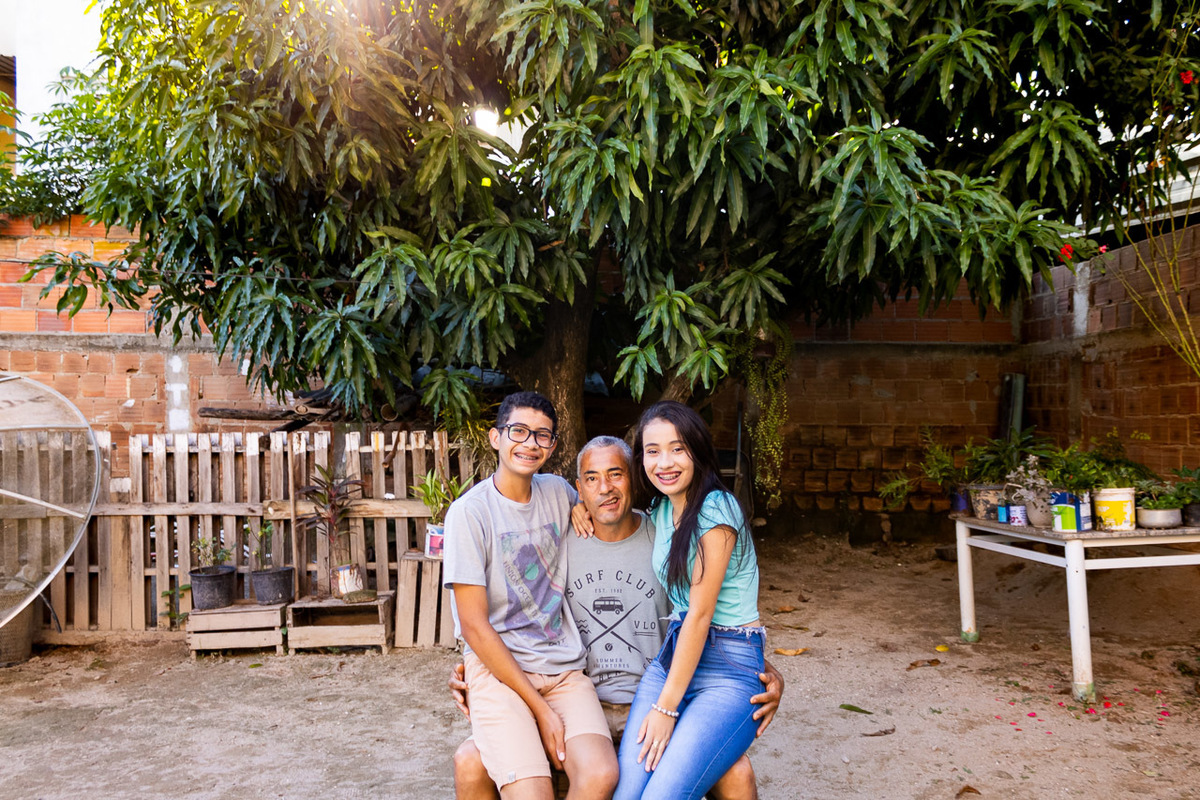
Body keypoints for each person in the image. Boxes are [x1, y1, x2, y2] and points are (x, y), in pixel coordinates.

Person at [451, 435, 783, 800]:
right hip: (576, 704)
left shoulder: (666, 537)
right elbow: (515, 614)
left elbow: (705, 615)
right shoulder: (558, 540)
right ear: (579, 489)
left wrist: (762, 669)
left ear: (634, 479)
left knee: (737, 772)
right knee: (469, 760)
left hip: (650, 702)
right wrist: (474, 672)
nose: (605, 488)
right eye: (592, 478)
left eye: (616, 474)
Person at [443, 392, 618, 800]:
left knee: (600, 775)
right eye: (518, 431)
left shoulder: (558, 492)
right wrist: (541, 712)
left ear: (552, 446)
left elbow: (595, 507)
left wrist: (581, 508)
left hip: (563, 668)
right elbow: (473, 625)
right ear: (495, 438)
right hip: (499, 673)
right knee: (532, 793)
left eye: (542, 435)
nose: (530, 443)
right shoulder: (469, 514)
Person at [612, 401, 765, 800]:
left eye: (677, 448)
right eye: (653, 451)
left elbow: (699, 614)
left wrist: (665, 709)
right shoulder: (662, 509)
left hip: (728, 669)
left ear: (697, 450)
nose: (664, 462)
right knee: (626, 794)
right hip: (675, 657)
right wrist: (580, 510)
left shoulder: (717, 508)